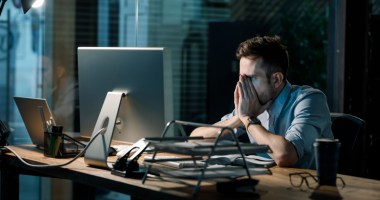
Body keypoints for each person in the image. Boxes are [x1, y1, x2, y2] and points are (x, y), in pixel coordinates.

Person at [190, 35, 333, 169]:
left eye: (250, 78)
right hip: (271, 185)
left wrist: (248, 119)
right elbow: (195, 141)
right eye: (241, 78)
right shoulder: (253, 104)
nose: (242, 85)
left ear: (276, 80)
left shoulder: (311, 100)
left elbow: (285, 155)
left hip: (309, 190)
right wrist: (239, 117)